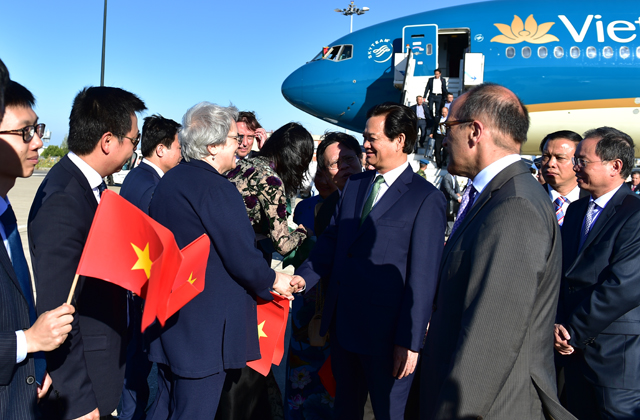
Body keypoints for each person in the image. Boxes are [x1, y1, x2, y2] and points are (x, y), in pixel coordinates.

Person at [420, 83, 575, 420]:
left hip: (492, 405)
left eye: (448, 127)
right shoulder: (499, 195)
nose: (443, 139)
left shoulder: (515, 205)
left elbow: (491, 336)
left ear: (474, 132)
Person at [146, 102, 301, 420]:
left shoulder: (170, 182)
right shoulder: (217, 189)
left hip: (173, 321)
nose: (240, 145)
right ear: (213, 146)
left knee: (165, 407)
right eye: (234, 138)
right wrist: (274, 279)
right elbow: (241, 256)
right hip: (205, 333)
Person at [294, 102, 446, 420]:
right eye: (364, 137)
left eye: (372, 138)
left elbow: (422, 279)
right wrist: (304, 277)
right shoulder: (355, 186)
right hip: (344, 330)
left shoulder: (426, 198)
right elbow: (332, 242)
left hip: (388, 339)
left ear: (399, 140)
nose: (364, 144)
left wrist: (410, 342)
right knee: (346, 411)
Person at [29, 86, 146, 420]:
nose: (135, 149)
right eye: (134, 140)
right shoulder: (64, 200)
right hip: (84, 383)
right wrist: (79, 400)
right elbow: (56, 306)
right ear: (108, 141)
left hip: (102, 361)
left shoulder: (91, 186)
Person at [0, 76, 75, 419]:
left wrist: (37, 363)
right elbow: (25, 335)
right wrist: (29, 341)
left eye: (38, 129)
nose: (39, 143)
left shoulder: (6, 210)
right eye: (25, 132)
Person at [555, 127, 640, 420]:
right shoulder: (577, 210)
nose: (575, 167)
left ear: (615, 166)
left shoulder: (634, 214)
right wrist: (557, 324)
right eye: (575, 160)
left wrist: (572, 331)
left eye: (583, 161)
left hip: (615, 356)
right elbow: (562, 272)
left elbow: (624, 286)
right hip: (571, 353)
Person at [118, 114, 182, 420]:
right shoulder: (151, 187)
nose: (181, 154)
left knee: (136, 361)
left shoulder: (137, 176)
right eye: (178, 147)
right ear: (160, 149)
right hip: (141, 287)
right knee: (138, 363)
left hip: (134, 284)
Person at [227, 122, 312, 261]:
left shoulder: (243, 164)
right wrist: (302, 232)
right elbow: (283, 245)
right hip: (241, 256)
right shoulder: (271, 181)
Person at [539, 130, 587, 225]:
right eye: (546, 156)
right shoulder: (529, 199)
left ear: (578, 162)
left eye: (560, 158)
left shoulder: (593, 201)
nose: (550, 163)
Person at [439, 171, 461, 236]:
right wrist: (457, 197)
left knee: (450, 215)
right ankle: (445, 232)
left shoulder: (454, 177)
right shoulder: (446, 177)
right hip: (446, 199)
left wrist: (458, 193)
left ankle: (449, 232)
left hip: (451, 200)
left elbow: (457, 186)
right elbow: (448, 190)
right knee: (447, 215)